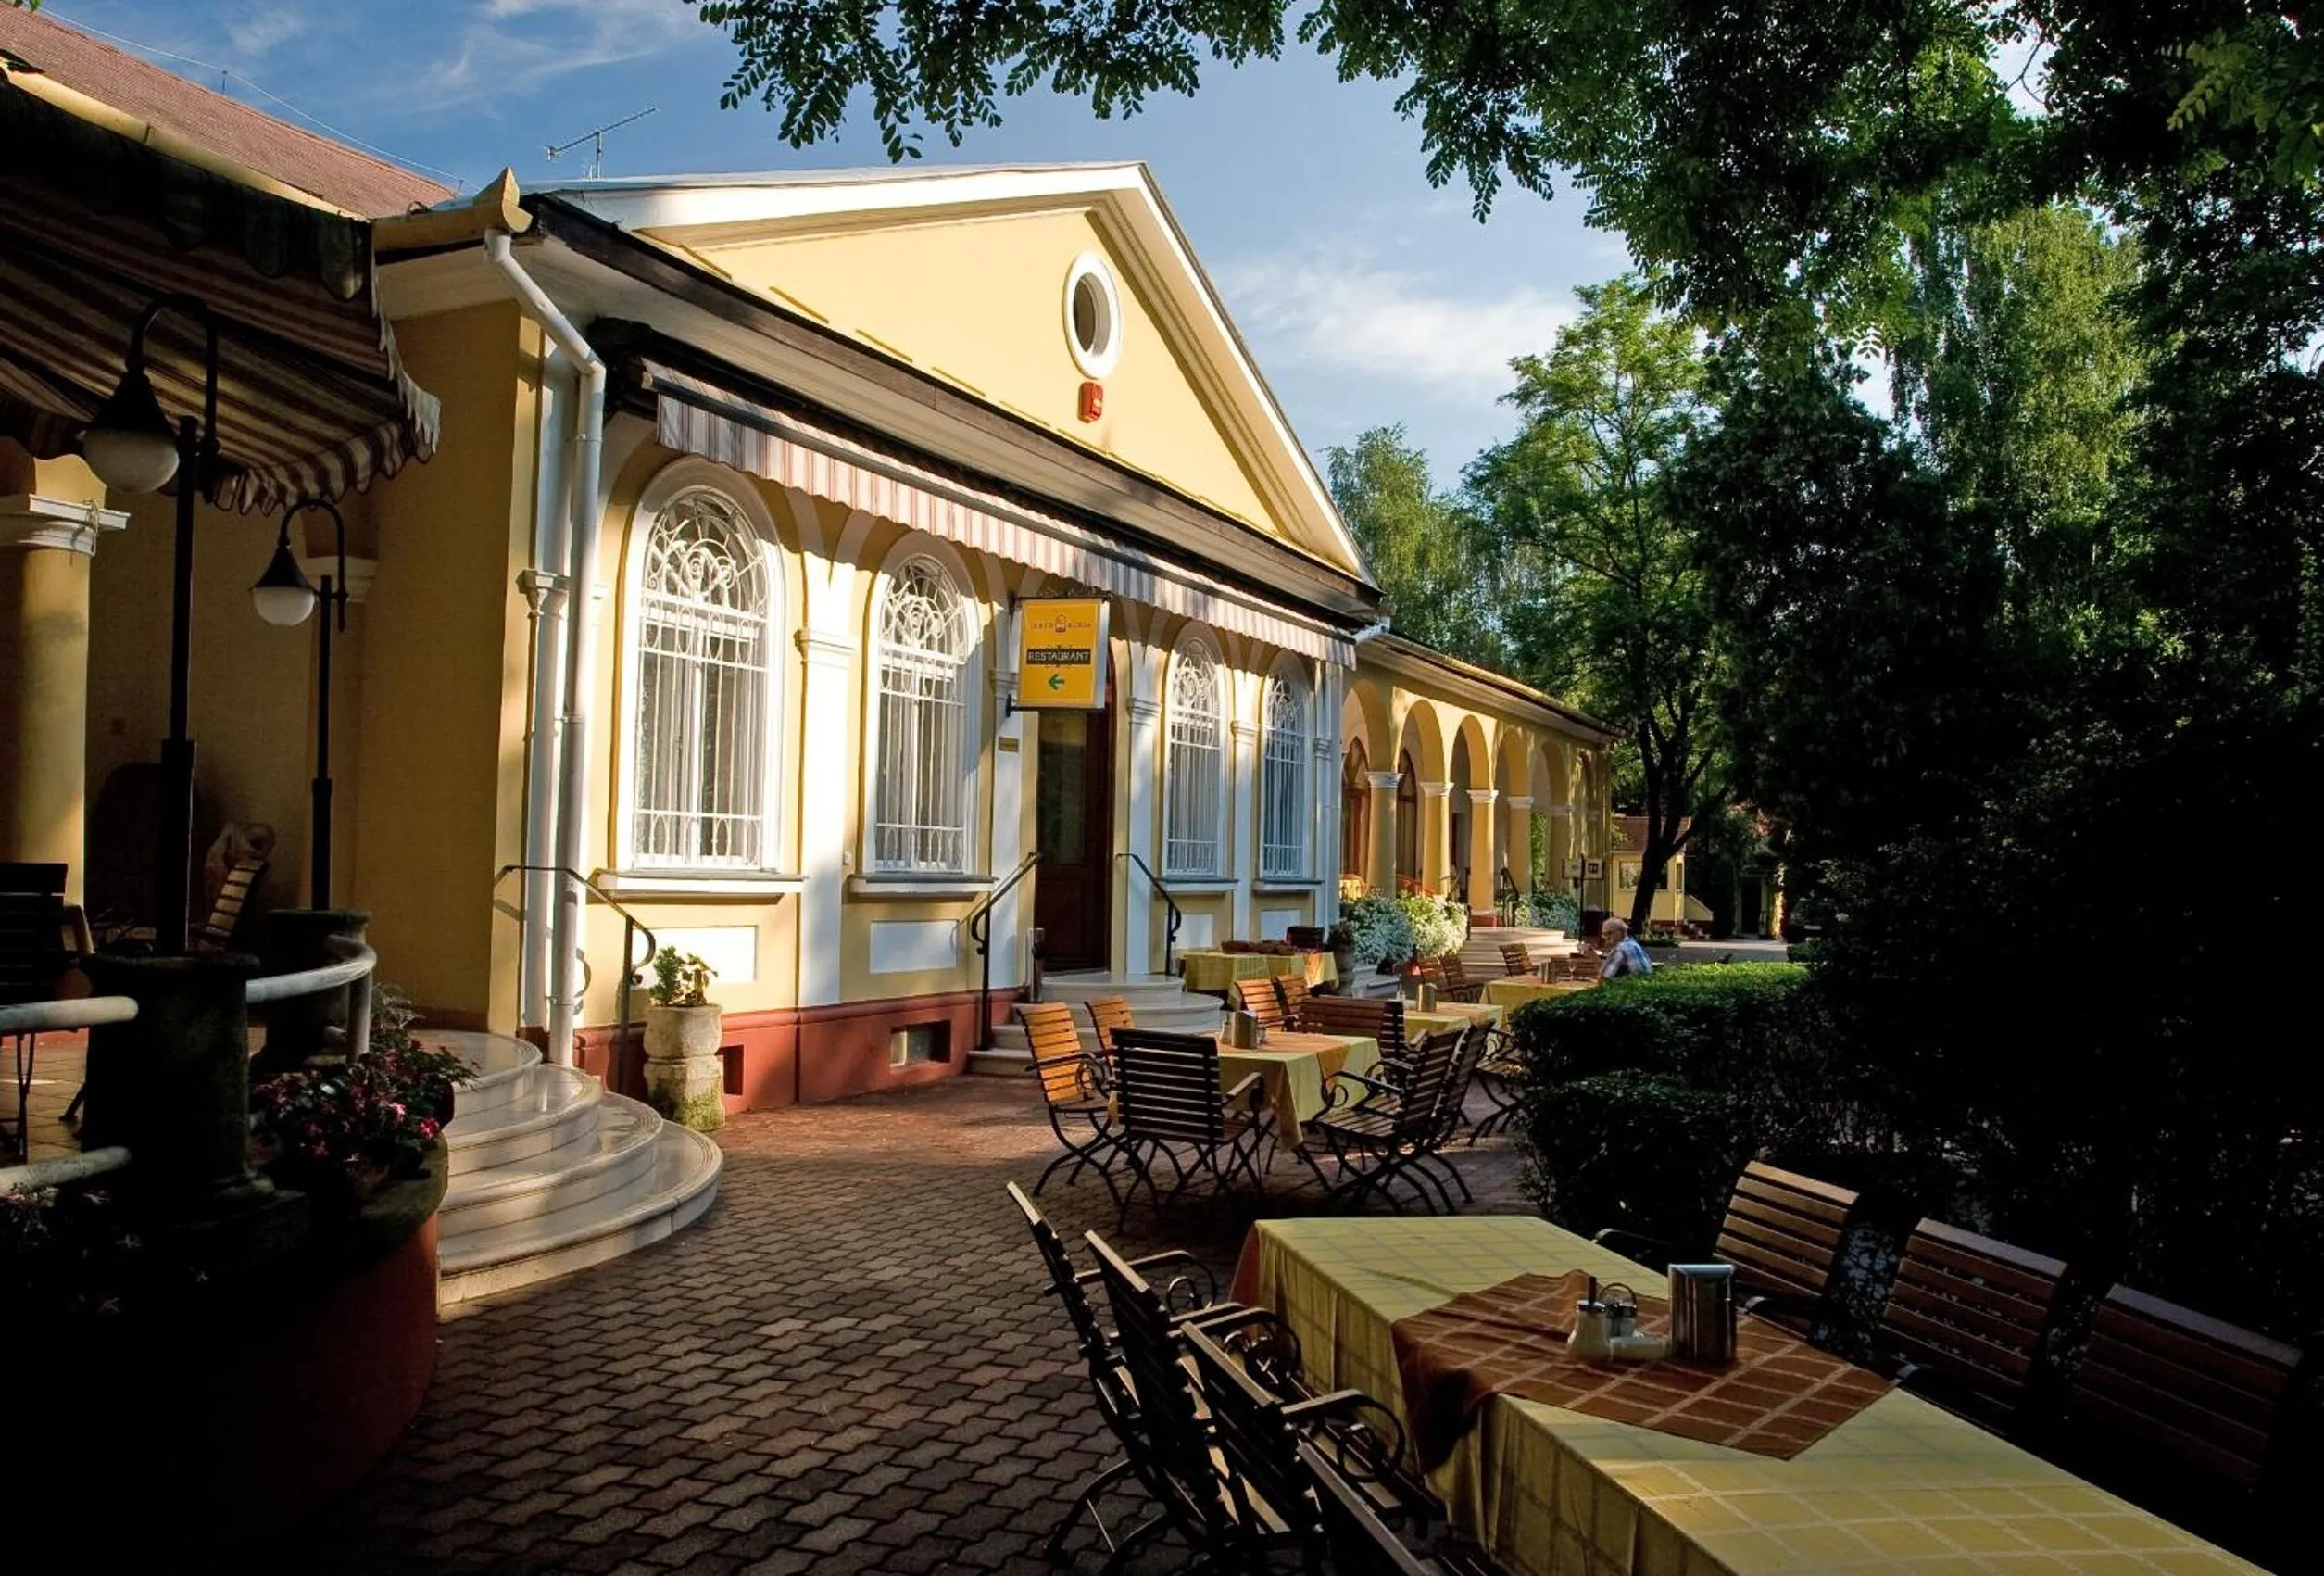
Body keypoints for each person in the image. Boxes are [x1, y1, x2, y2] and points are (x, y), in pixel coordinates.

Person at [1598, 916, 1654, 980]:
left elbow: (1604, 977)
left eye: (1609, 933)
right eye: (1604, 935)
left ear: (1620, 931)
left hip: (1631, 987)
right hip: (1645, 985)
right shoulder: (1633, 944)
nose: (1606, 938)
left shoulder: (1620, 948)